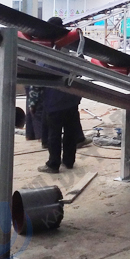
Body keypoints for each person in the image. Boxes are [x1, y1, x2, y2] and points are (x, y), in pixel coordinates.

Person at [37, 17, 83, 173]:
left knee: (54, 134)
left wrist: (35, 102)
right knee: (70, 132)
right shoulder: (71, 48)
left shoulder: (46, 51)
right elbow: (81, 70)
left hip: (54, 101)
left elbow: (39, 74)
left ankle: (53, 164)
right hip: (72, 99)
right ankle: (69, 161)